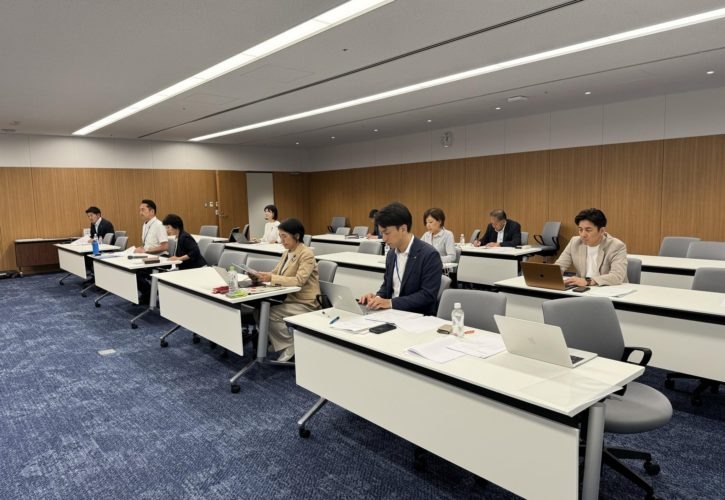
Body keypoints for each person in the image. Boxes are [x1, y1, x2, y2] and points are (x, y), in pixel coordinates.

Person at [252, 218, 320, 362]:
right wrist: (260, 276)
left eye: (284, 236)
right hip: (289, 299)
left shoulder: (306, 253)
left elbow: (299, 280)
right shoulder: (287, 253)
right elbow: (275, 273)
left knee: (269, 313)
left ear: (297, 236)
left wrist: (271, 278)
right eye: (280, 236)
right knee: (258, 310)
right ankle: (278, 341)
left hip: (304, 302)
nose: (281, 240)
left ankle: (289, 345)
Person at [360, 202, 442, 316]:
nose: (384, 238)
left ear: (403, 229)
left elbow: (427, 296)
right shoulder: (391, 254)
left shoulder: (429, 255)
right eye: (382, 233)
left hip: (417, 318)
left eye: (387, 233)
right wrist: (376, 298)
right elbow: (387, 286)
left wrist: (391, 303)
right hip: (392, 314)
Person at [555, 208, 628, 286]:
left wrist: (588, 281)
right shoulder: (575, 242)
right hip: (583, 289)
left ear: (602, 231)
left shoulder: (617, 246)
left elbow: (617, 276)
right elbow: (559, 266)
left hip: (609, 288)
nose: (583, 235)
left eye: (588, 230)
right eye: (580, 230)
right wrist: (552, 276)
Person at [135, 199, 168, 305]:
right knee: (131, 270)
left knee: (136, 272)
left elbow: (164, 246)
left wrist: (146, 250)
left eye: (143, 210)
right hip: (148, 257)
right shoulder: (145, 225)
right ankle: (149, 294)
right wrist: (140, 249)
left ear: (152, 211)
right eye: (140, 210)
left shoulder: (159, 225)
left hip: (160, 258)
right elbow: (147, 245)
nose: (140, 213)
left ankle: (149, 294)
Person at [82, 206, 115, 285]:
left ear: (98, 215)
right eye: (88, 216)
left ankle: (101, 279)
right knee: (85, 255)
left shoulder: (107, 224)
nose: (90, 218)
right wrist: (90, 239)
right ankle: (95, 276)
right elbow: (92, 236)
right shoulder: (93, 224)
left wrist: (95, 240)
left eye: (91, 215)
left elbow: (111, 240)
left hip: (107, 250)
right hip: (97, 248)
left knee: (88, 256)